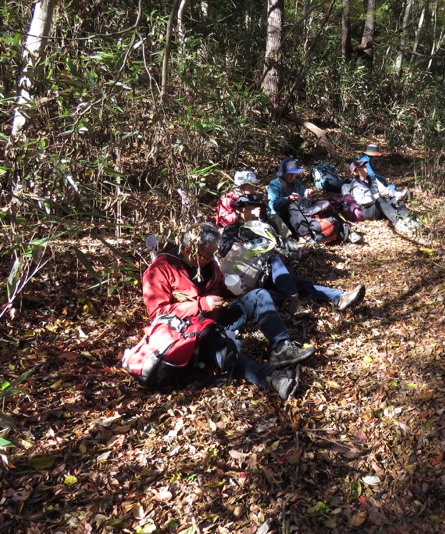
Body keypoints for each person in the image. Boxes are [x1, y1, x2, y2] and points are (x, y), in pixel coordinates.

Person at [142, 222, 316, 398]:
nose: (212, 259)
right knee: (220, 345)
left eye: (213, 254)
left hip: (216, 319)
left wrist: (232, 289)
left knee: (259, 295)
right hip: (190, 335)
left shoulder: (207, 263)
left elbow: (219, 286)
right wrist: (200, 305)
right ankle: (271, 377)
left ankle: (281, 348)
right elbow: (158, 314)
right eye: (208, 255)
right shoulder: (160, 270)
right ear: (188, 250)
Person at [219, 194, 366, 317]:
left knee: (298, 282)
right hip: (247, 278)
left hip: (267, 273)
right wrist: (246, 244)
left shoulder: (259, 225)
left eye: (253, 209)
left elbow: (276, 240)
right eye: (248, 209)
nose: (251, 213)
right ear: (239, 211)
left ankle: (339, 297)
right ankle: (292, 301)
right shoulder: (232, 230)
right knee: (276, 262)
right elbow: (224, 251)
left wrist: (262, 221)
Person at [348, 160, 418, 235]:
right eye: (362, 167)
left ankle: (408, 220)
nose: (365, 168)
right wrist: (379, 195)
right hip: (367, 210)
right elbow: (362, 201)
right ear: (356, 172)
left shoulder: (372, 179)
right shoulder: (355, 185)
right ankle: (398, 223)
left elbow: (384, 189)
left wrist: (395, 194)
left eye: (365, 166)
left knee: (397, 201)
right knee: (380, 200)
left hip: (380, 207)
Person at [268, 158, 314, 235]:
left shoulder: (296, 183)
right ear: (283, 173)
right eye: (290, 174)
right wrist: (287, 199)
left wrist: (307, 194)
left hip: (296, 214)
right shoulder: (274, 185)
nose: (292, 177)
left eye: (294, 174)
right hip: (280, 216)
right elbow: (273, 206)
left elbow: (302, 199)